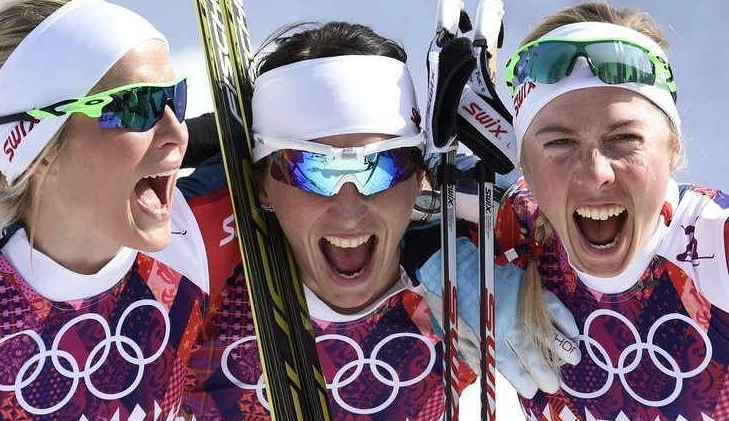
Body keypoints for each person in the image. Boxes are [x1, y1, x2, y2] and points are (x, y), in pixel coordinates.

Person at [182, 21, 580, 420]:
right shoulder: (199, 279)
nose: (349, 209)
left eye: (382, 165)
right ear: (263, 183)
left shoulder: (473, 265)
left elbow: (618, 214)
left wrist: (530, 172)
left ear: (420, 173)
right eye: (312, 169)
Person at [0, 0, 239, 419]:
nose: (177, 132)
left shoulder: (200, 241)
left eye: (175, 98)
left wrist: (220, 134)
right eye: (135, 106)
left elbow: (325, 142)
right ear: (38, 148)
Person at [496, 1, 729, 420]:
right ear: (524, 165)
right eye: (560, 144)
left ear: (674, 148)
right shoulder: (509, 228)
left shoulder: (716, 238)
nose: (595, 173)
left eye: (624, 138)